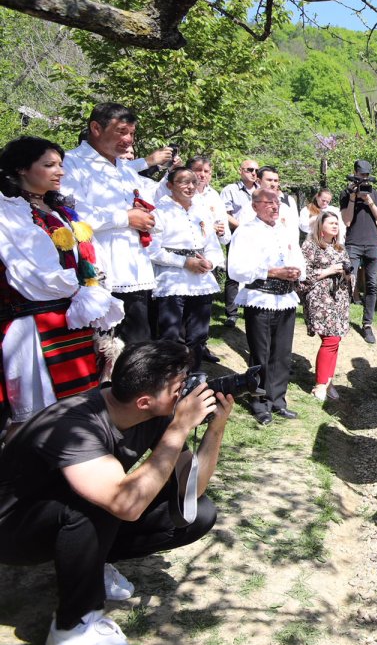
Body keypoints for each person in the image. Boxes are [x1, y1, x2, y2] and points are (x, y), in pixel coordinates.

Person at [0, 341, 232, 645]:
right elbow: (124, 504)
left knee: (197, 514)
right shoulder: (75, 426)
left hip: (63, 515)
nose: (188, 390)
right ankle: (71, 629)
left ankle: (91, 564)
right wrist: (179, 429)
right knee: (107, 501)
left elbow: (191, 492)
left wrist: (215, 429)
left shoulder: (155, 410)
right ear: (144, 400)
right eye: (180, 386)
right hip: (12, 531)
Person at [0, 137, 123, 435]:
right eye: (49, 165)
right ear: (21, 169)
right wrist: (80, 290)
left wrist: (93, 287)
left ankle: (66, 469)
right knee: (33, 414)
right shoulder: (9, 212)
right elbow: (33, 272)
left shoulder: (59, 209)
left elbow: (86, 255)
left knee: (76, 409)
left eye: (60, 165)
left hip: (72, 319)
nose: (60, 172)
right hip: (34, 324)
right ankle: (20, 474)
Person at [61, 103, 173, 347]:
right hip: (99, 274)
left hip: (135, 270)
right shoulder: (71, 163)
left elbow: (150, 205)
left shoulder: (126, 169)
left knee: (137, 351)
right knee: (103, 354)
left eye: (132, 133)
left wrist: (149, 219)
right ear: (96, 128)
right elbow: (72, 214)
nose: (128, 140)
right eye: (122, 131)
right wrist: (125, 217)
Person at [227, 188, 305, 425]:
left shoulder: (285, 231)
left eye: (277, 203)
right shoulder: (245, 232)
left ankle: (278, 400)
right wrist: (272, 271)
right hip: (260, 297)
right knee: (260, 353)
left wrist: (296, 272)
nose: (274, 207)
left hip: (285, 298)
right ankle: (259, 401)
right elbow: (236, 269)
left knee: (282, 354)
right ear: (255, 206)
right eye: (268, 203)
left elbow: (298, 258)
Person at [148, 168, 224, 372]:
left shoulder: (202, 211)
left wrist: (211, 263)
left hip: (201, 280)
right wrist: (184, 262)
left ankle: (193, 377)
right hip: (172, 280)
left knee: (198, 335)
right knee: (170, 335)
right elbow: (152, 250)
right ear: (170, 185)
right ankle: (169, 379)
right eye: (183, 182)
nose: (190, 186)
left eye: (193, 182)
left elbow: (213, 246)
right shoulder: (159, 212)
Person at [299, 211, 351, 403]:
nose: (335, 226)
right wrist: (328, 271)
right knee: (329, 339)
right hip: (320, 297)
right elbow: (302, 275)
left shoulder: (339, 248)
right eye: (331, 223)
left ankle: (328, 381)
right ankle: (320, 384)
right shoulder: (310, 246)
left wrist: (346, 275)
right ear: (321, 226)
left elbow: (348, 272)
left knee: (335, 339)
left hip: (338, 298)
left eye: (337, 223)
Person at [339, 160, 377, 344]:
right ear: (355, 172)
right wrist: (352, 198)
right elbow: (347, 221)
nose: (364, 178)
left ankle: (367, 325)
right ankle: (342, 320)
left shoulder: (373, 192)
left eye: (367, 175)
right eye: (361, 175)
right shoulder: (346, 193)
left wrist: (369, 201)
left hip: (372, 243)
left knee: (372, 285)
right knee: (349, 281)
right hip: (353, 243)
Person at [218, 158, 259, 328]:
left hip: (258, 237)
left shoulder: (261, 190)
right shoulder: (230, 190)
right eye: (250, 169)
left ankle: (253, 307)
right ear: (241, 171)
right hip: (237, 236)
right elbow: (223, 213)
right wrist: (241, 227)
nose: (254, 173)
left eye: (256, 170)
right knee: (233, 274)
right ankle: (232, 313)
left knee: (257, 273)